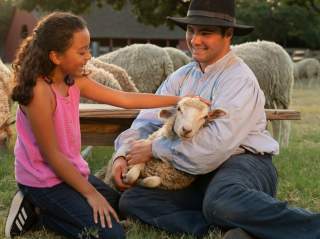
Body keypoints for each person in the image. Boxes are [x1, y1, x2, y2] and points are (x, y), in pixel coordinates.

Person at [111, 0, 320, 239]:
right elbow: (146, 122)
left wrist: (154, 148)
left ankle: (313, 228)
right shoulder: (180, 77)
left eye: (206, 33)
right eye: (191, 31)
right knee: (133, 200)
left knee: (222, 201)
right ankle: (224, 232)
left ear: (228, 35)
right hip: (191, 171)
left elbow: (214, 146)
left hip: (243, 163)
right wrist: (123, 153)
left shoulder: (238, 79)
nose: (195, 40)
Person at [4, 12, 188, 239]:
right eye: (81, 51)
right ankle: (37, 209)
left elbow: (125, 99)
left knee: (116, 205)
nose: (89, 56)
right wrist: (91, 194)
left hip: (70, 171)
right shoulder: (39, 92)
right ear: (56, 56)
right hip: (43, 181)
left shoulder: (74, 79)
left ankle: (43, 211)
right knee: (112, 234)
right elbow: (51, 156)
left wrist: (180, 100)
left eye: (88, 49)